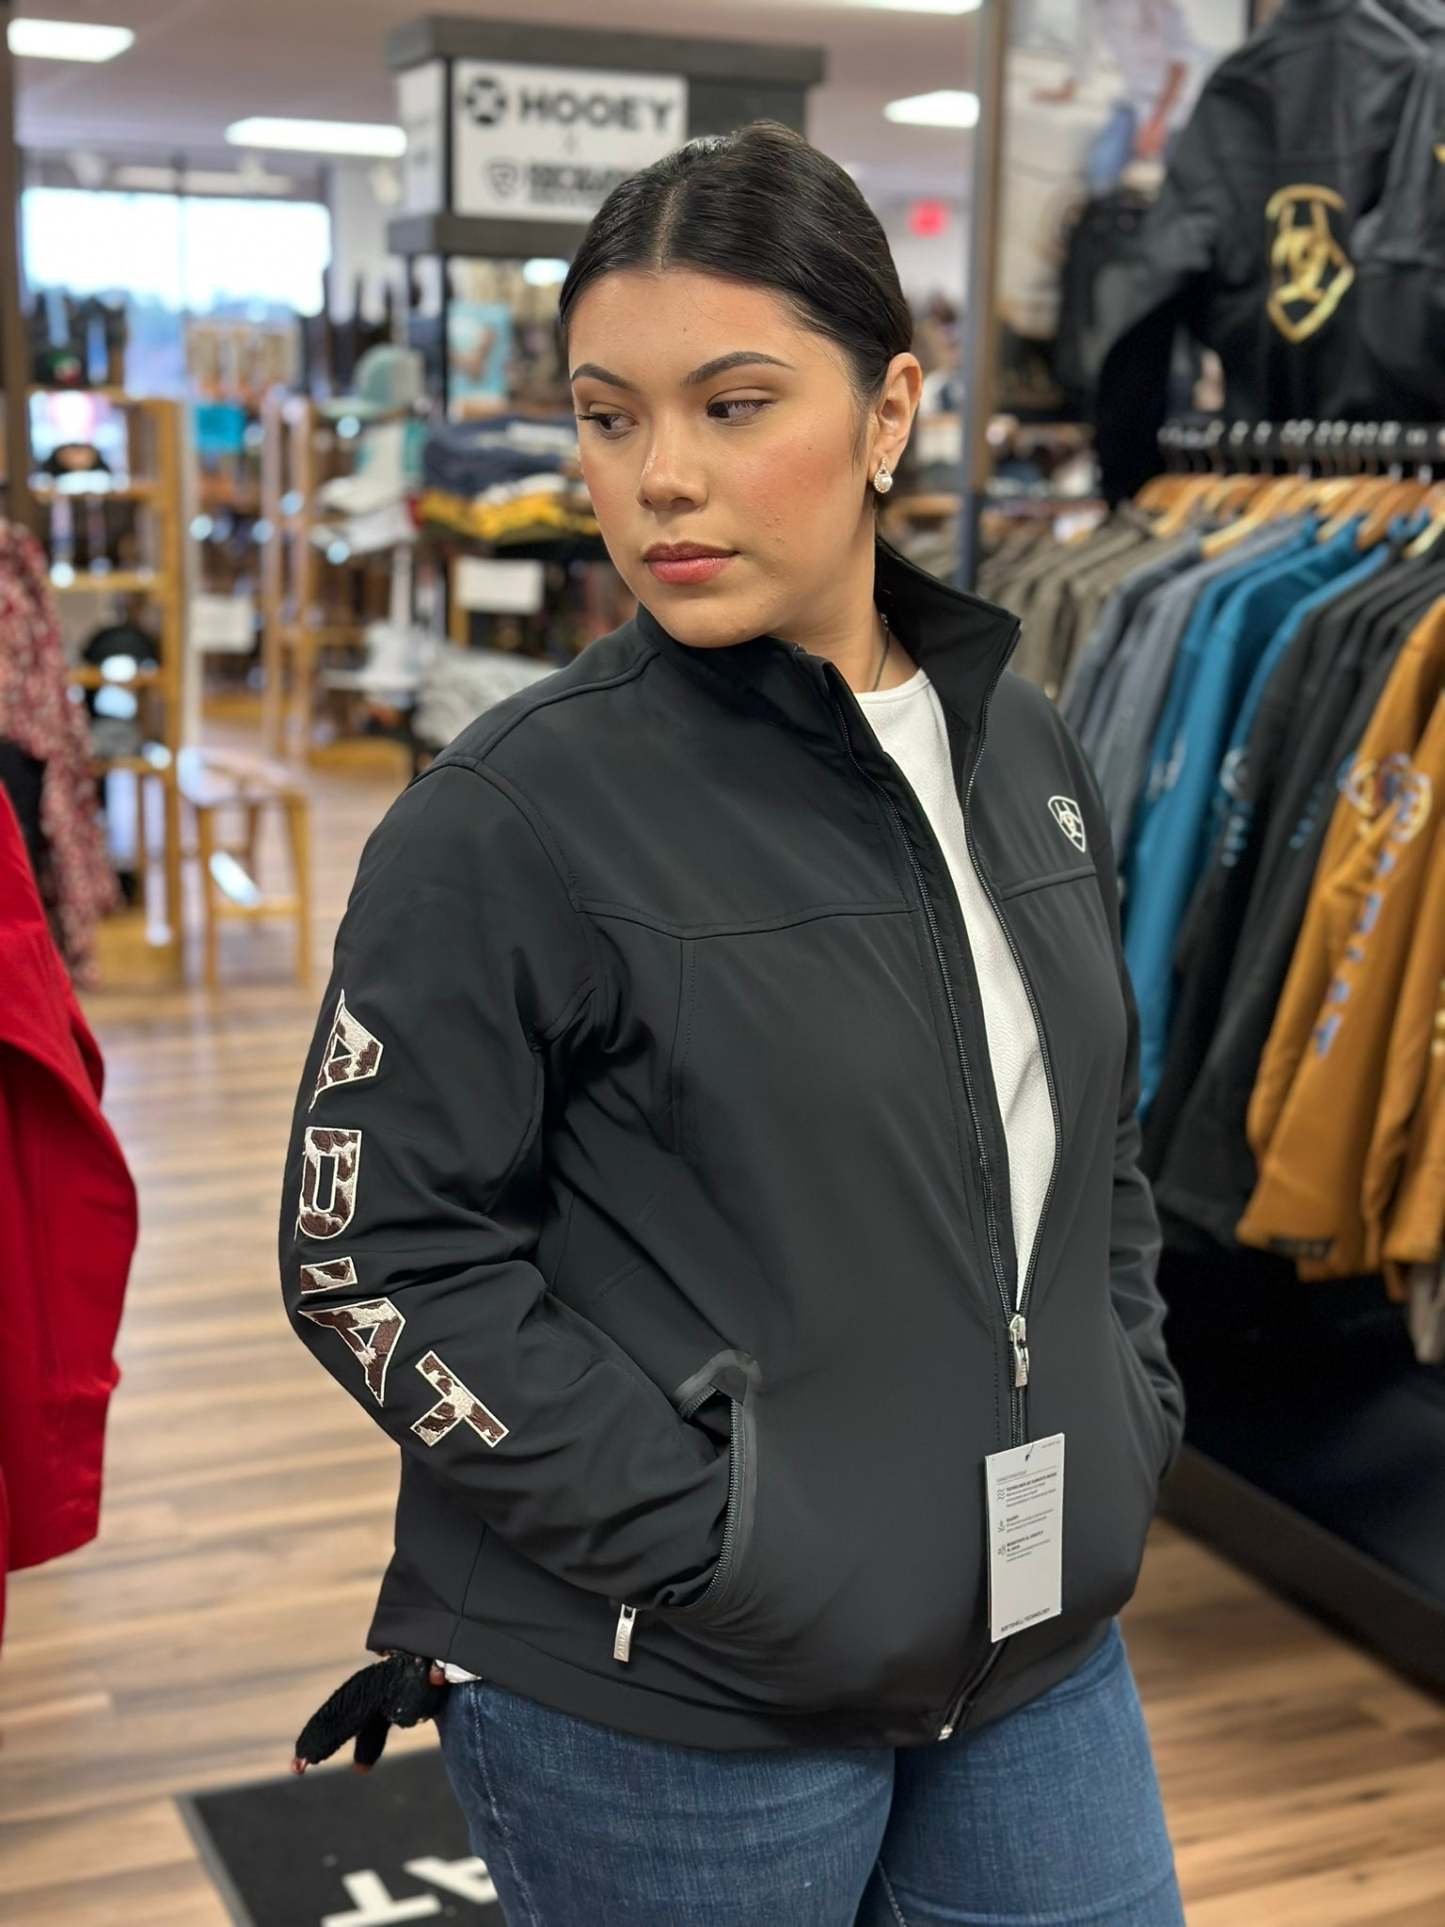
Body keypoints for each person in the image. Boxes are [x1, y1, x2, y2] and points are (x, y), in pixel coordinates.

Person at [279, 120, 1187, 1926]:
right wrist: (721, 1544)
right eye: (609, 417)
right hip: (671, 1701)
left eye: (734, 403)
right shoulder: (513, 813)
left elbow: (1089, 1135)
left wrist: (1125, 1411)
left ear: (890, 408)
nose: (661, 478)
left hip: (1033, 1642)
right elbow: (369, 1251)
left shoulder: (1023, 744)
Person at [1033, 0, 1201, 194]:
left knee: (1185, 183)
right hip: (1133, 100)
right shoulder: (1092, 5)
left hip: (1177, 105)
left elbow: (1180, 62)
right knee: (1101, 170)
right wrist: (1068, 89)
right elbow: (1085, 46)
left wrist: (1157, 122)